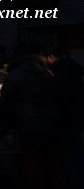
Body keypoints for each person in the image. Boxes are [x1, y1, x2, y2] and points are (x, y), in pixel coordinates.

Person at [1, 46, 65, 189]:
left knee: (33, 161)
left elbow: (6, 98)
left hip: (27, 124)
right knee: (52, 160)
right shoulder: (46, 73)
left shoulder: (15, 74)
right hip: (50, 123)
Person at [43, 47, 84, 188]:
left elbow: (51, 99)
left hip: (63, 121)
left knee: (65, 156)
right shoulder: (76, 72)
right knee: (78, 155)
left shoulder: (56, 76)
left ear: (52, 57)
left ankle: (74, 184)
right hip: (78, 120)